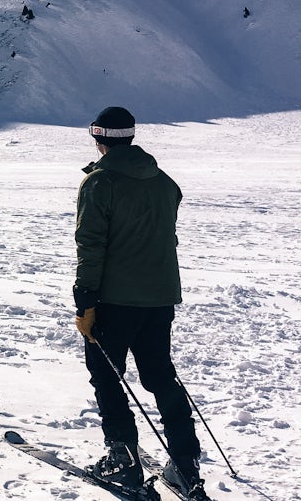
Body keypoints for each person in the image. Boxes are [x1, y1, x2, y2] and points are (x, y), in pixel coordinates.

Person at [72, 106, 211, 500]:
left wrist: (85, 300)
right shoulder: (165, 182)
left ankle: (124, 459)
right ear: (130, 137)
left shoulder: (100, 183)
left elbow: (91, 245)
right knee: (160, 376)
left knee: (106, 374)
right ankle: (185, 464)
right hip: (160, 297)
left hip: (115, 300)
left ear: (98, 138)